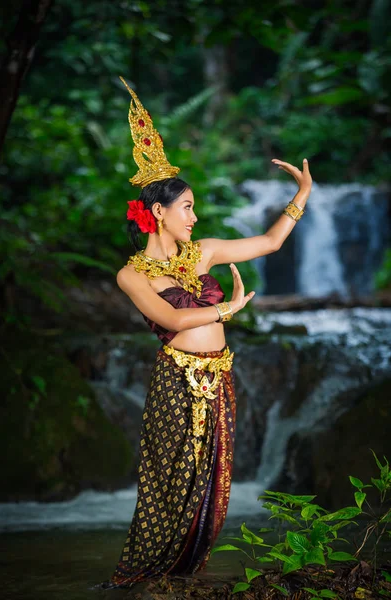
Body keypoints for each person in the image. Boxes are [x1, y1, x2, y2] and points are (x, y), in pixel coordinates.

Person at [97, 78, 312, 590]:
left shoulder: (207, 251)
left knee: (211, 482)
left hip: (218, 380)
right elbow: (171, 321)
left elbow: (269, 242)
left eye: (193, 207)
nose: (194, 216)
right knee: (168, 482)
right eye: (187, 207)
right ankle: (141, 576)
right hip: (175, 381)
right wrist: (227, 310)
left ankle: (183, 575)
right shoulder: (133, 275)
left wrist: (301, 196)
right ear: (158, 213)